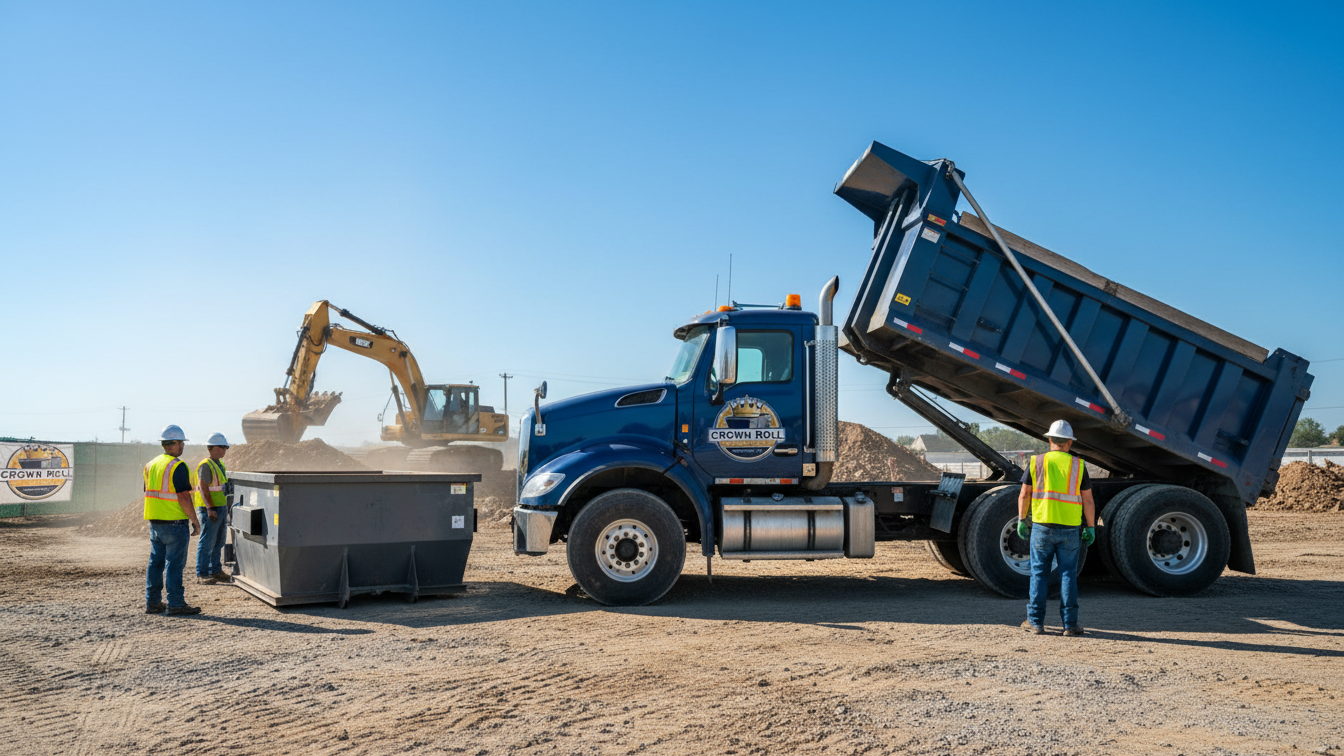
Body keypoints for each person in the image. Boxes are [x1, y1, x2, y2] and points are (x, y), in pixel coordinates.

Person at [1018, 420, 1096, 636]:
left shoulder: (1036, 462)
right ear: (1069, 443)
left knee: (1039, 574)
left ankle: (1035, 623)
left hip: (1042, 527)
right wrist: (1091, 527)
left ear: (1050, 439)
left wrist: (1022, 520)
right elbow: (1088, 501)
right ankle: (1070, 625)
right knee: (1068, 574)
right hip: (1070, 529)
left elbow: (1024, 494)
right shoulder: (1078, 466)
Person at [144, 424, 202, 616]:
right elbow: (184, 497)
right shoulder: (178, 465)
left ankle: (152, 603)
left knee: (155, 564)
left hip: (155, 523)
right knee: (174, 565)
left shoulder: (150, 465)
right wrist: (195, 521)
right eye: (182, 443)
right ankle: (176, 603)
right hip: (174, 524)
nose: (183, 447)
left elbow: (149, 492)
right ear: (175, 443)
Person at [193, 432, 232, 584]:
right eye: (221, 447)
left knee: (219, 541)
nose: (224, 450)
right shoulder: (206, 465)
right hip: (210, 509)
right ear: (210, 448)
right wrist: (210, 508)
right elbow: (203, 487)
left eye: (226, 447)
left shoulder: (219, 464)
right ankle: (202, 573)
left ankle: (215, 570)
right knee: (207, 542)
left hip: (221, 508)